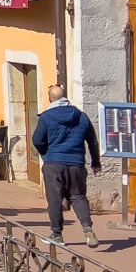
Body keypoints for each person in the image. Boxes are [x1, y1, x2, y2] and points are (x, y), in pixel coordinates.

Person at [30, 84, 101, 249]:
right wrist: (95, 163)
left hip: (53, 163)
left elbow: (37, 140)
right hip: (76, 163)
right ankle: (87, 227)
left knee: (54, 199)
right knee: (78, 196)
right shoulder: (82, 116)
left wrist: (46, 153)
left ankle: (57, 234)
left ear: (50, 98)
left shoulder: (46, 117)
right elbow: (92, 141)